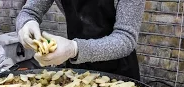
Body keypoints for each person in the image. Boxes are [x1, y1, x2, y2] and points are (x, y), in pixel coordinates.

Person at [16, 0, 145, 80]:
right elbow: (29, 11)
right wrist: (26, 23)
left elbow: (126, 38)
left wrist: (74, 48)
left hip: (119, 72)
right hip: (77, 70)